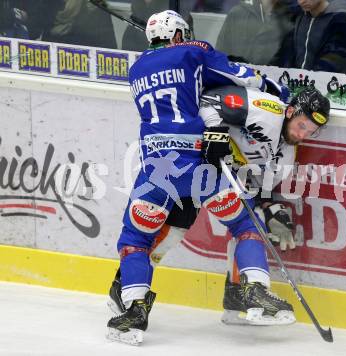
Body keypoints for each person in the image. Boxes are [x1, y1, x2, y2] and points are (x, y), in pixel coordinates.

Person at [106, 9, 291, 346]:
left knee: (135, 240)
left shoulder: (135, 69)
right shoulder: (194, 50)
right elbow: (240, 76)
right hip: (198, 164)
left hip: (156, 170)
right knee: (245, 225)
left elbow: (176, 85)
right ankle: (256, 291)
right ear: (179, 34)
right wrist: (275, 88)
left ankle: (133, 311)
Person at [107, 86, 330, 327]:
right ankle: (124, 288)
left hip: (217, 180)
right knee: (169, 234)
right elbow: (207, 101)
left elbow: (258, 188)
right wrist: (216, 136)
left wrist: (270, 207)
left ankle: (238, 295)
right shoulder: (264, 108)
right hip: (189, 160)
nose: (303, 134)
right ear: (289, 112)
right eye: (302, 125)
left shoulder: (286, 154)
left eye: (311, 131)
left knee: (250, 220)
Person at [272, 0, 346, 74]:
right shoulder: (299, 17)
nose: (301, 1)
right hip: (302, 85)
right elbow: (287, 56)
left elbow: (335, 61)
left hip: (336, 90)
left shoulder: (342, 20)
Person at [215, 0, 298, 64]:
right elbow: (220, 54)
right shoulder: (238, 13)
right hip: (238, 80)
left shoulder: (293, 17)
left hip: (275, 81)